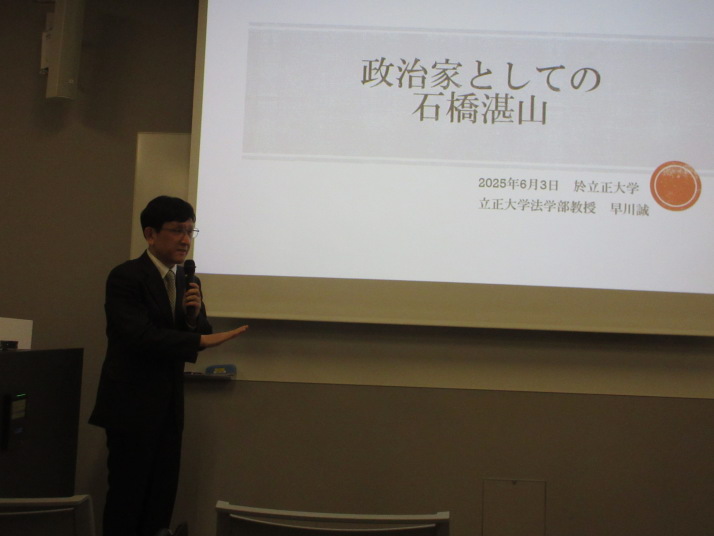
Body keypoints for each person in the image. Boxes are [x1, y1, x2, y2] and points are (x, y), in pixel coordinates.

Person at [89, 196, 248, 536]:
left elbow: (197, 329)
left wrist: (193, 319)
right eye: (177, 230)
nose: (186, 240)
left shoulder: (188, 280)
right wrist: (199, 340)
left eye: (191, 231)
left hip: (169, 406)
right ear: (150, 234)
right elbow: (139, 336)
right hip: (130, 407)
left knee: (161, 497)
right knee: (128, 498)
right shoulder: (126, 277)